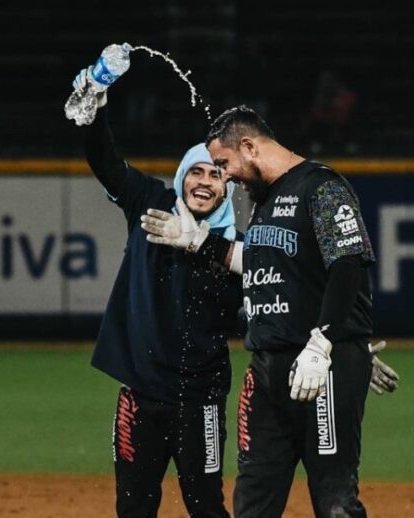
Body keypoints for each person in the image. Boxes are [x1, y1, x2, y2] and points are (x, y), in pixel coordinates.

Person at [141, 105, 378, 517]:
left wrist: (330, 343)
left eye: (223, 163)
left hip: (322, 369)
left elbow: (348, 263)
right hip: (268, 369)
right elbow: (262, 262)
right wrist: (197, 241)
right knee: (252, 503)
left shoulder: (320, 187)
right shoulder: (265, 198)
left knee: (335, 501)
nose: (223, 176)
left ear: (248, 146)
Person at [76, 67, 243, 518]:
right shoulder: (148, 202)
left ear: (229, 187)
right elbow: (105, 161)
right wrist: (97, 102)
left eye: (216, 175)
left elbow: (263, 306)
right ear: (182, 175)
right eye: (197, 172)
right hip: (139, 394)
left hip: (200, 398)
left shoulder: (234, 248)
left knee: (205, 507)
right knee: (132, 507)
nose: (205, 182)